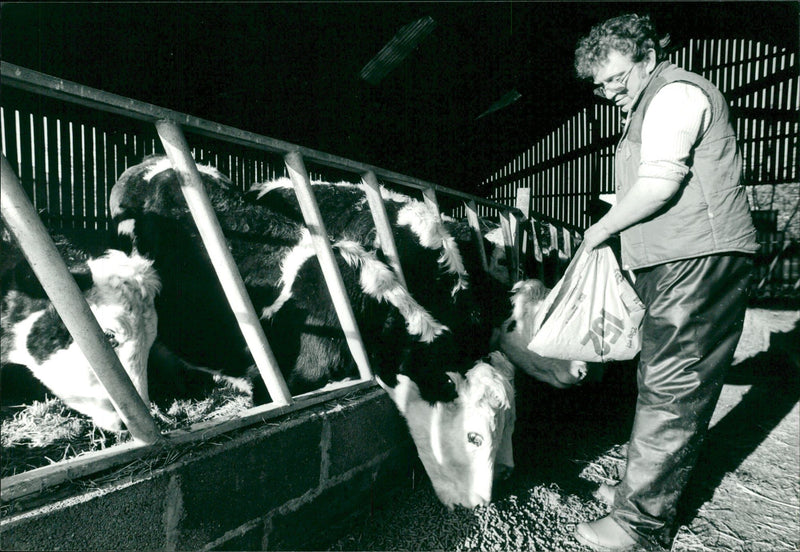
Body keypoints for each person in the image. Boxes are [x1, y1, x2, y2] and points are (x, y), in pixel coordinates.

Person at [573, 13, 759, 551]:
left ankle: (641, 526)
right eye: (600, 85)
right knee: (658, 377)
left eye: (617, 78)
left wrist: (599, 230)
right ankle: (640, 493)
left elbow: (660, 184)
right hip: (678, 256)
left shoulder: (676, 95)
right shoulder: (649, 103)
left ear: (647, 54)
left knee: (672, 386)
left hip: (700, 256)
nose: (609, 92)